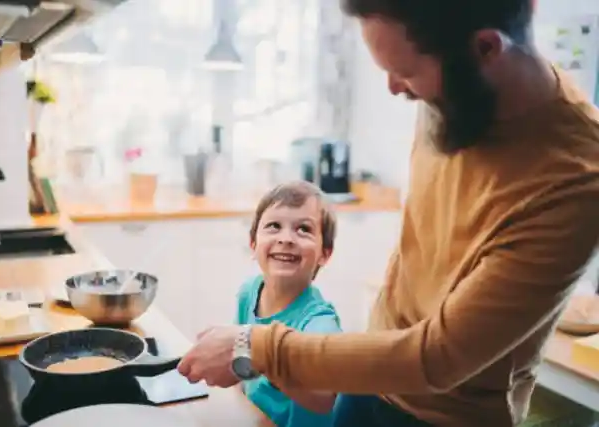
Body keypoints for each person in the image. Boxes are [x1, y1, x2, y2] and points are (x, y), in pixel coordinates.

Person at [177, 0, 599, 426]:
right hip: (370, 382)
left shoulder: (576, 180)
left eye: (407, 71)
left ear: (486, 48)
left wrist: (256, 347)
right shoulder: (459, 92)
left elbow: (439, 357)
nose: (395, 89)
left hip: (446, 416)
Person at [234, 181, 342, 427]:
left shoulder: (320, 323)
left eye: (303, 229)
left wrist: (266, 357)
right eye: (274, 226)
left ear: (325, 253)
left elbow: (323, 397)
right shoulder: (248, 293)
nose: (286, 238)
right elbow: (242, 380)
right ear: (253, 244)